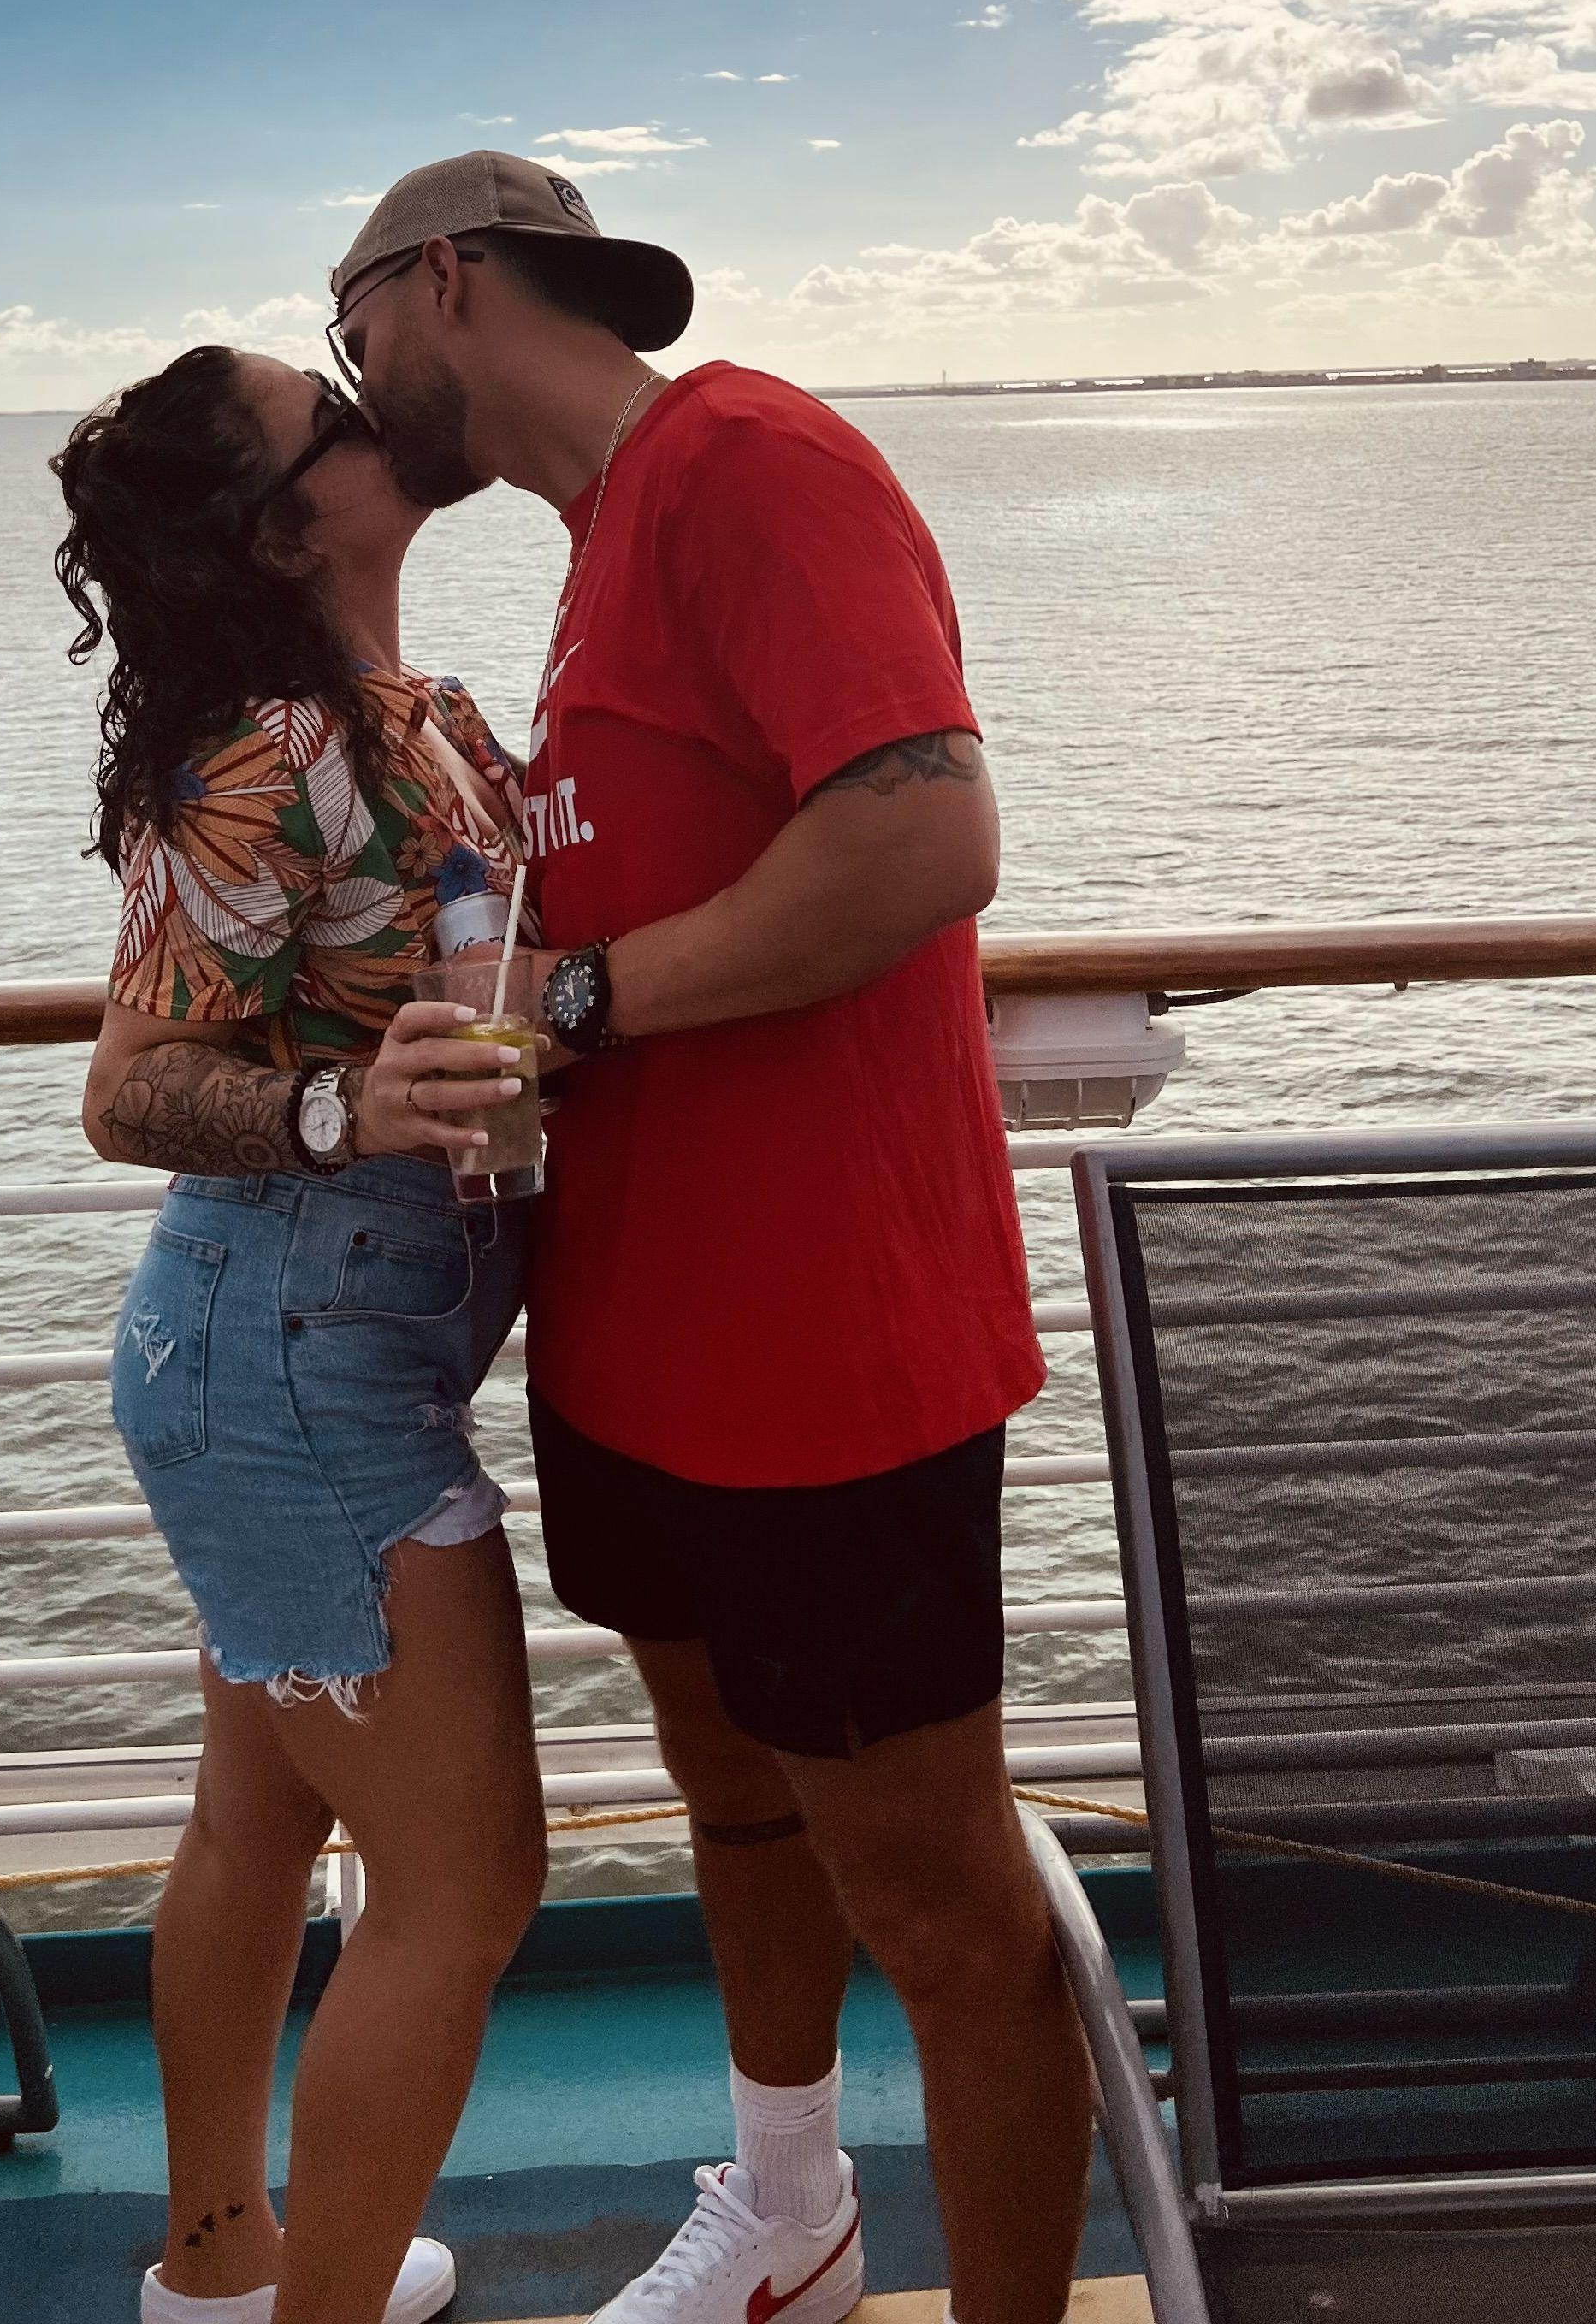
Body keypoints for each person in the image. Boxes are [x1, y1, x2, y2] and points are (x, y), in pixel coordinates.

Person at [326, 155, 1092, 2324]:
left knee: (942, 1912)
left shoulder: (753, 461)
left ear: (443, 281)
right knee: (736, 1800)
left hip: (827, 1353)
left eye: (351, 324)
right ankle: (789, 2212)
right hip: (643, 1339)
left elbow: (925, 837)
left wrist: (573, 997)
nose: (351, 375)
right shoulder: (598, 550)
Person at [55, 341, 546, 2324]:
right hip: (295, 1355)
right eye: (329, 418)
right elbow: (126, 1090)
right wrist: (350, 1106)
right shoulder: (261, 753)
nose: (369, 410)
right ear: (282, 529)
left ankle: (222, 2268)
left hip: (316, 1343)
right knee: (466, 1884)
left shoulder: (416, 714)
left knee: (256, 1810)